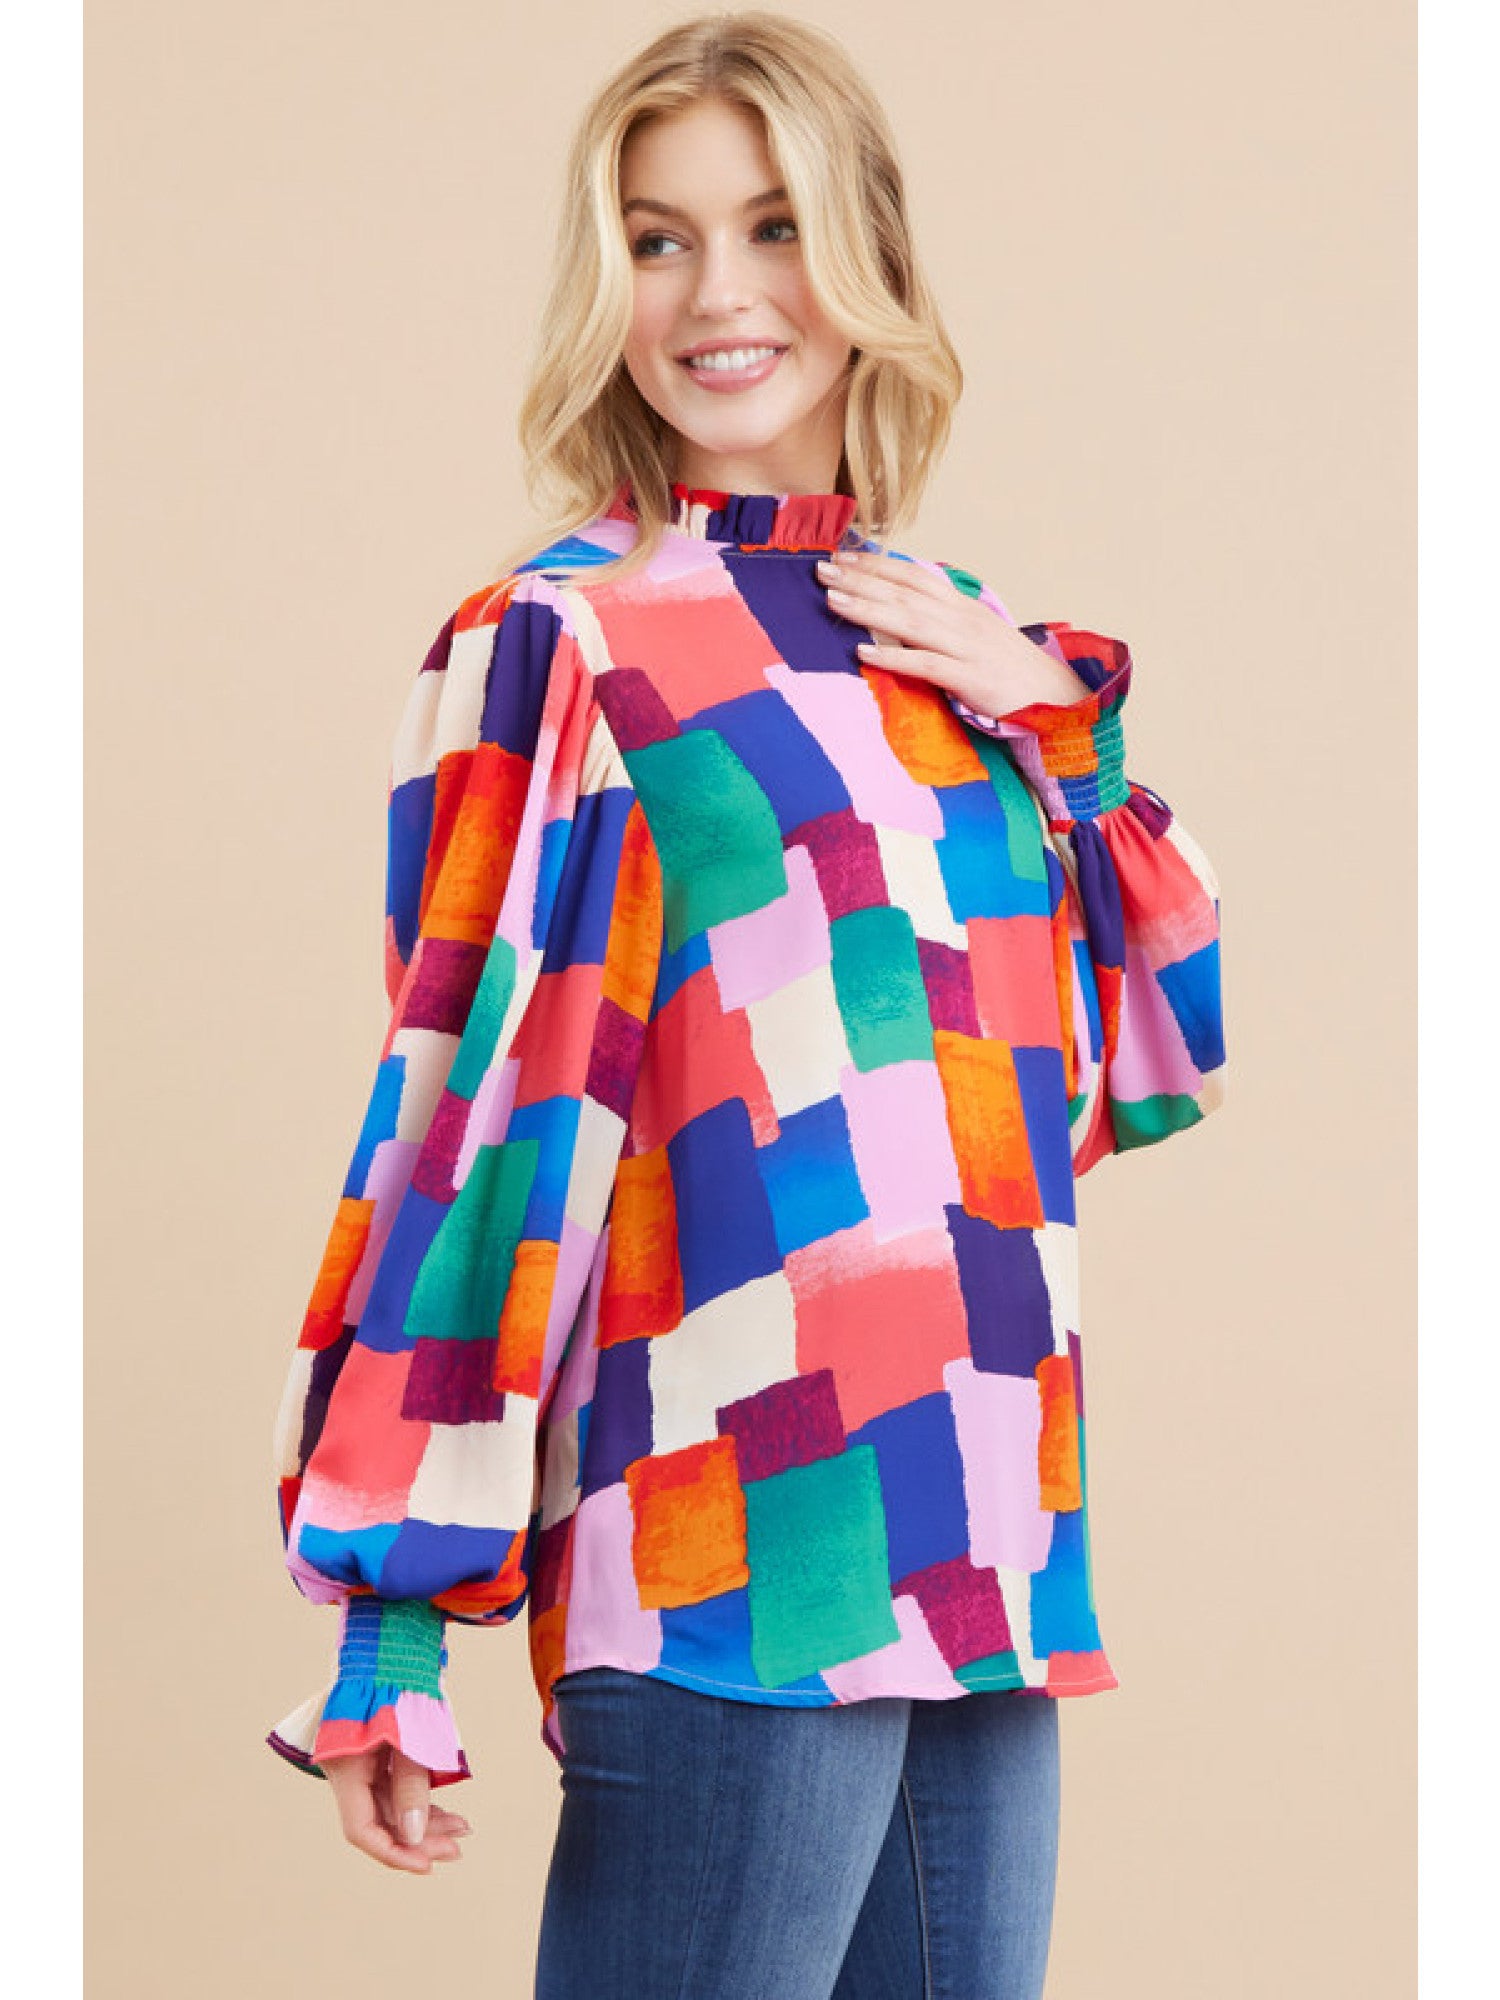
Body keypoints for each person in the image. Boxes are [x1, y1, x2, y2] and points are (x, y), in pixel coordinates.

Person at [266, 11, 1225, 1996]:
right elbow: (468, 1120)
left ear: (869, 253)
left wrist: (1062, 728)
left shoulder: (951, 638)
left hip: (985, 1547)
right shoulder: (563, 642)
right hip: (728, 1544)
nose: (718, 293)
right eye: (660, 238)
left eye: (774, 226)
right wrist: (394, 1606)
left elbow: (1141, 1053)